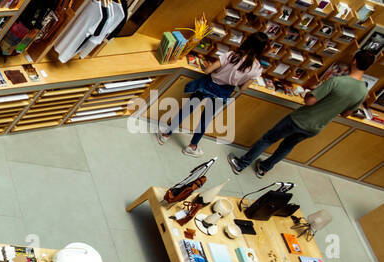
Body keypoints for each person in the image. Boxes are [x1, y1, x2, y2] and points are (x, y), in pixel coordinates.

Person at [229, 50, 374, 177]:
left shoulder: (337, 81)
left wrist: (308, 93)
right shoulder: (363, 92)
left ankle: (241, 164)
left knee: (268, 139)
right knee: (287, 147)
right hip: (315, 128)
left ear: (354, 61)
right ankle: (264, 168)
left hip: (300, 119)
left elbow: (310, 101)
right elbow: (345, 114)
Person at [159, 32, 267, 158]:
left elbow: (208, 70)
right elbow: (242, 88)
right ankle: (192, 147)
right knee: (205, 120)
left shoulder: (232, 55)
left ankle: (165, 135)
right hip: (223, 93)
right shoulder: (257, 69)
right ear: (262, 48)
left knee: (187, 110)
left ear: (247, 41)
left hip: (208, 85)